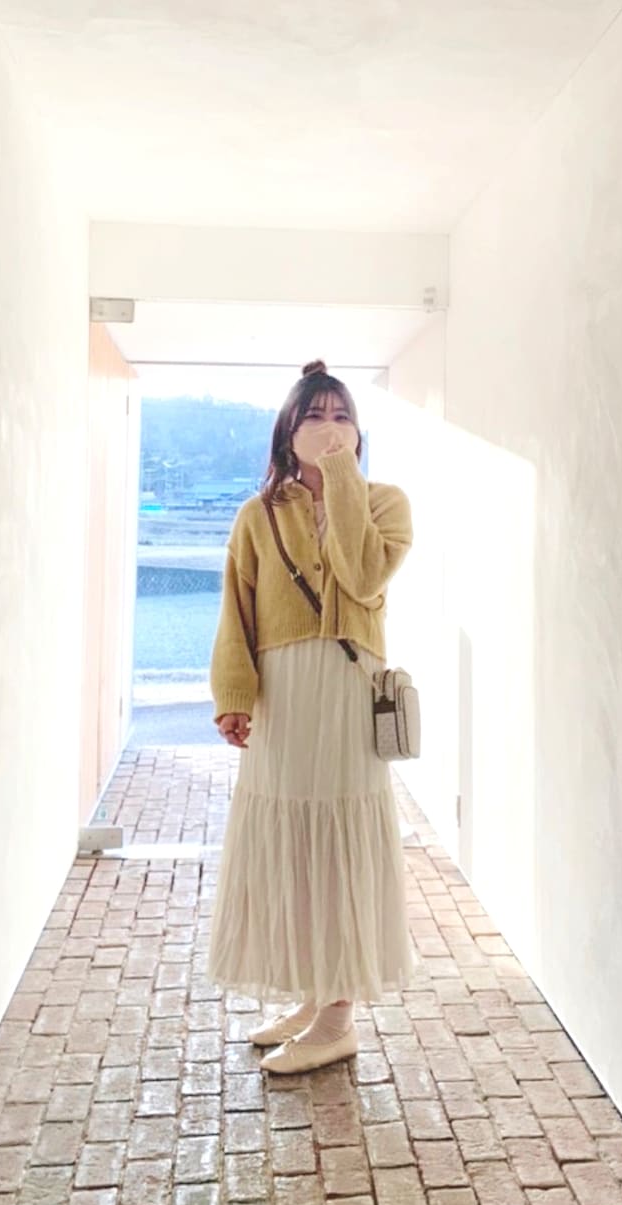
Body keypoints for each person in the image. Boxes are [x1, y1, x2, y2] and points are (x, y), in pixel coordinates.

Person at [206, 360, 415, 1073]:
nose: (329, 429)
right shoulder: (256, 515)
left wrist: (342, 480)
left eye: (342, 417)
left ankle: (337, 1019)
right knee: (292, 844)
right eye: (314, 417)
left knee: (340, 843)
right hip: (285, 697)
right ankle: (311, 991)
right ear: (287, 434)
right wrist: (234, 696)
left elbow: (360, 574)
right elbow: (236, 611)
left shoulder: (385, 504)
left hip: (346, 693)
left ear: (358, 433)